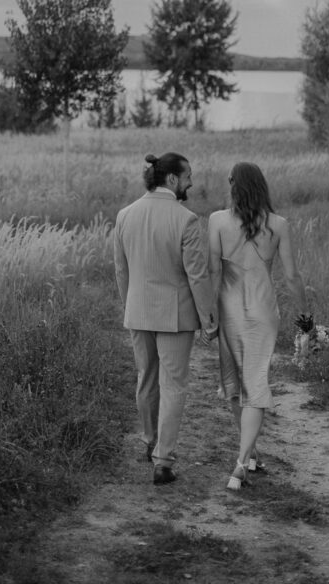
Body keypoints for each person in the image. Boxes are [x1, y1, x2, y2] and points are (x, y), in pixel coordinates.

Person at [114, 151, 217, 486]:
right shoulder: (186, 219)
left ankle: (149, 442)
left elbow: (121, 270)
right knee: (173, 385)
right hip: (175, 317)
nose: (191, 183)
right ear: (172, 179)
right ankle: (163, 461)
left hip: (138, 312)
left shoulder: (125, 215)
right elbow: (197, 275)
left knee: (146, 379)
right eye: (188, 177)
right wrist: (209, 319)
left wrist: (130, 306)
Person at [207, 161, 310, 491]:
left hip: (229, 309)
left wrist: (208, 314)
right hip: (263, 310)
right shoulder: (278, 225)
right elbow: (292, 276)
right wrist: (306, 316)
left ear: (233, 185)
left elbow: (213, 272)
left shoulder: (217, 221)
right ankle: (245, 459)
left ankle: (243, 461)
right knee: (254, 383)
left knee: (236, 384)